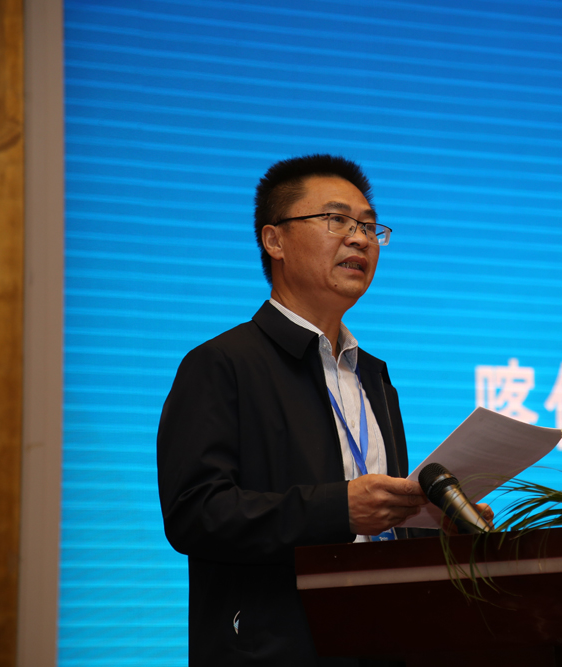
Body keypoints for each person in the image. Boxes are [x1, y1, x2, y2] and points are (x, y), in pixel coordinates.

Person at [157, 154, 481, 666]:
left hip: (383, 641)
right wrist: (338, 509)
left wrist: (433, 524)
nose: (360, 239)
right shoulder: (222, 363)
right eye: (337, 220)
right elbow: (195, 515)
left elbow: (375, 529)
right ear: (274, 240)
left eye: (369, 226)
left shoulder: (373, 376)